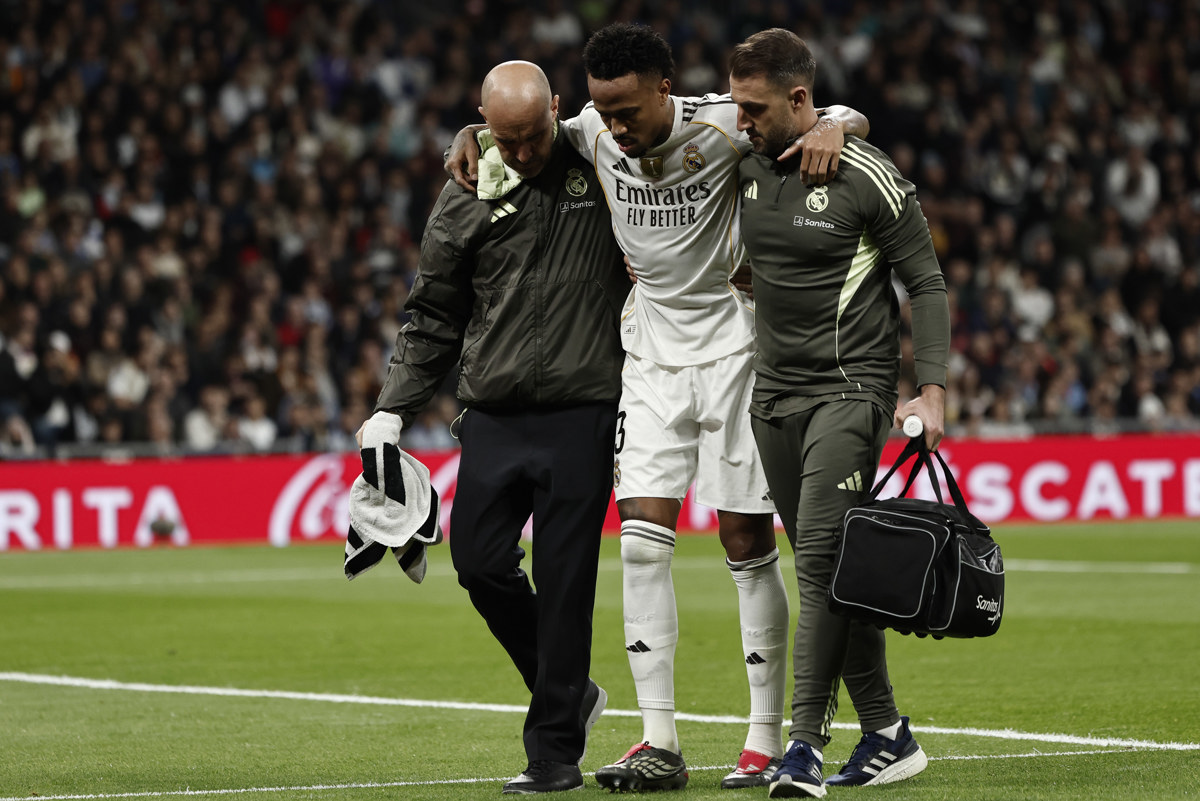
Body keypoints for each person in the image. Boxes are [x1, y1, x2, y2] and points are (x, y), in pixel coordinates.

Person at [445, 22, 868, 792]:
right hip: (647, 353)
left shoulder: (722, 125)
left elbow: (830, 115)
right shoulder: (587, 131)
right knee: (641, 539)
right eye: (604, 112)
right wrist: (471, 132)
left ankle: (762, 739)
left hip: (736, 348)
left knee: (744, 540)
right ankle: (658, 740)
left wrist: (839, 125)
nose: (616, 127)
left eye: (629, 111)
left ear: (664, 91)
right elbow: (521, 124)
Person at [358, 61, 629, 795]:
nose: (524, 152)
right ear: (482, 120)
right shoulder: (465, 188)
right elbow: (434, 313)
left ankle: (553, 756)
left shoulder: (604, 163)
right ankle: (571, 690)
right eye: (505, 137)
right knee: (477, 562)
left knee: (567, 582)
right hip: (494, 413)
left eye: (534, 135)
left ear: (559, 113)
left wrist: (840, 120)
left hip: (583, 409)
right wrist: (392, 408)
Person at [729, 28, 950, 798]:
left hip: (850, 393)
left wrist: (932, 388)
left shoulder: (865, 174)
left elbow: (925, 281)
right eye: (736, 107)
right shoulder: (744, 160)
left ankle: (803, 749)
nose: (742, 121)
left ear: (799, 99)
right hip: (772, 401)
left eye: (754, 108)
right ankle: (889, 733)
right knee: (836, 572)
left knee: (820, 561)